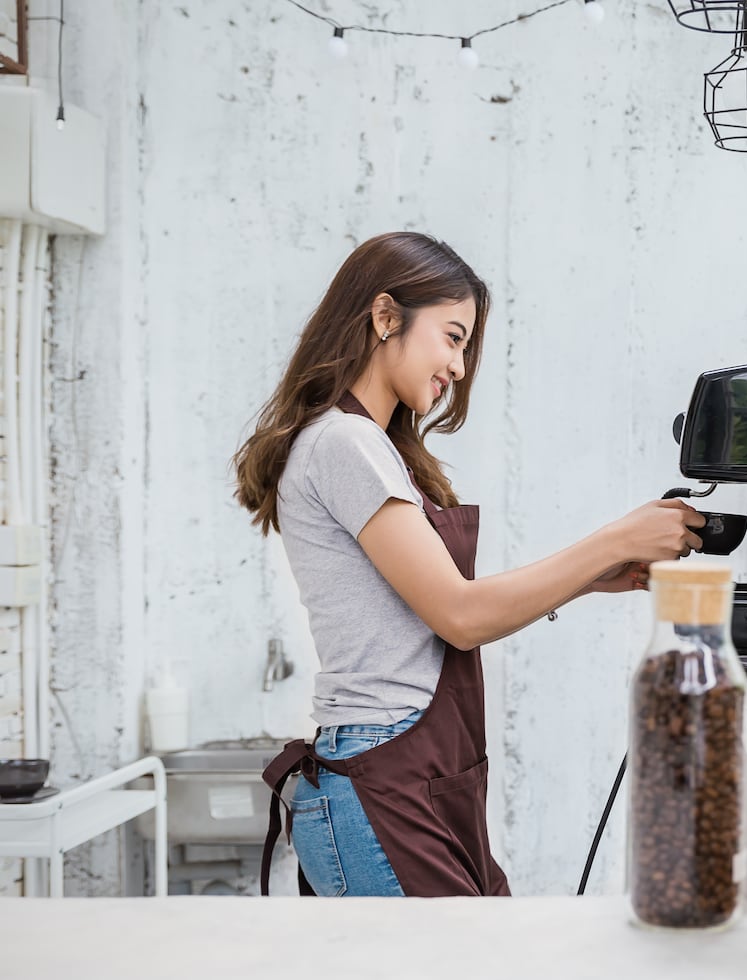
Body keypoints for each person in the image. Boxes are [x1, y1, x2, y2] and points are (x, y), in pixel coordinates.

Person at [233, 231, 704, 898]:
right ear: (386, 317)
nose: (458, 366)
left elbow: (434, 607)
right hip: (383, 778)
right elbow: (459, 615)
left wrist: (591, 576)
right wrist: (614, 539)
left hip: (410, 769)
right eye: (452, 337)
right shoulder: (345, 444)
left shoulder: (366, 446)